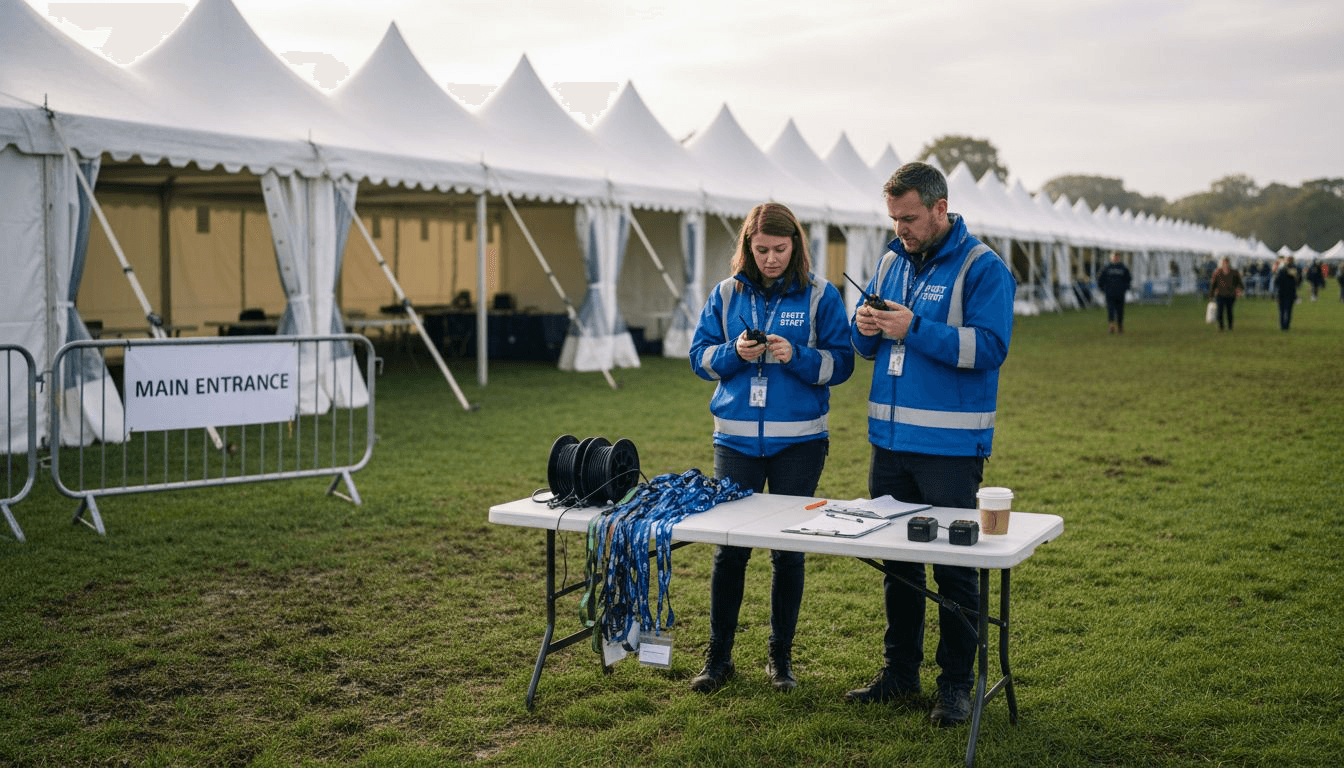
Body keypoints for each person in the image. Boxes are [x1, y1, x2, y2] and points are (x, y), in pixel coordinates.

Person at [847, 162, 1016, 727]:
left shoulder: (982, 267)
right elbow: (864, 344)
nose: (900, 229)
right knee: (898, 566)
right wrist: (866, 326)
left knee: (953, 571)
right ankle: (899, 675)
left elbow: (990, 348)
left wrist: (913, 328)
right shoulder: (892, 260)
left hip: (949, 449)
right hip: (888, 444)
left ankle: (955, 688)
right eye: (893, 218)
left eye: (910, 218)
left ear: (941, 208)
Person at [688, 202, 855, 694]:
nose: (771, 259)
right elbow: (699, 358)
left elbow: (842, 364)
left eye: (780, 249)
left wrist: (797, 356)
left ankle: (780, 661)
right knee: (730, 551)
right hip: (735, 441)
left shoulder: (822, 294)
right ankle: (718, 659)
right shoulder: (724, 293)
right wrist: (732, 354)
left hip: (800, 444)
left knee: (788, 552)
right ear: (747, 247)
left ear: (796, 246)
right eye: (761, 250)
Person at [1096, 251, 1132, 334]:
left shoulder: (1123, 268)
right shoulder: (1107, 268)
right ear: (1111, 257)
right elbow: (1100, 280)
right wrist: (1103, 290)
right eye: (1114, 256)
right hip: (1109, 294)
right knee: (1110, 311)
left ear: (1119, 258)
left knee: (1120, 311)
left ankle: (1120, 327)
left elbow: (1128, 279)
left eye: (1117, 256)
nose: (1115, 258)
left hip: (1120, 294)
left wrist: (1125, 288)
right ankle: (1111, 327)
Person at [1208, 257, 1244, 331]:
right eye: (1223, 262)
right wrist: (1211, 294)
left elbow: (1239, 283)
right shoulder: (1217, 272)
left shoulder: (1234, 273)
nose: (1224, 264)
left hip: (1230, 295)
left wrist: (1239, 290)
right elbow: (1213, 284)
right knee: (1220, 311)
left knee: (1229, 311)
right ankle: (1221, 326)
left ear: (1228, 263)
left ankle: (1230, 326)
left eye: (1226, 262)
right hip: (1220, 295)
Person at [1273, 256, 1301, 330]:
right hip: (1289, 293)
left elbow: (1277, 282)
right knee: (1288, 311)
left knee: (1282, 311)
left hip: (1282, 293)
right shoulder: (1294, 270)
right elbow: (1297, 282)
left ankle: (1283, 326)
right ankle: (1286, 326)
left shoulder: (1282, 270)